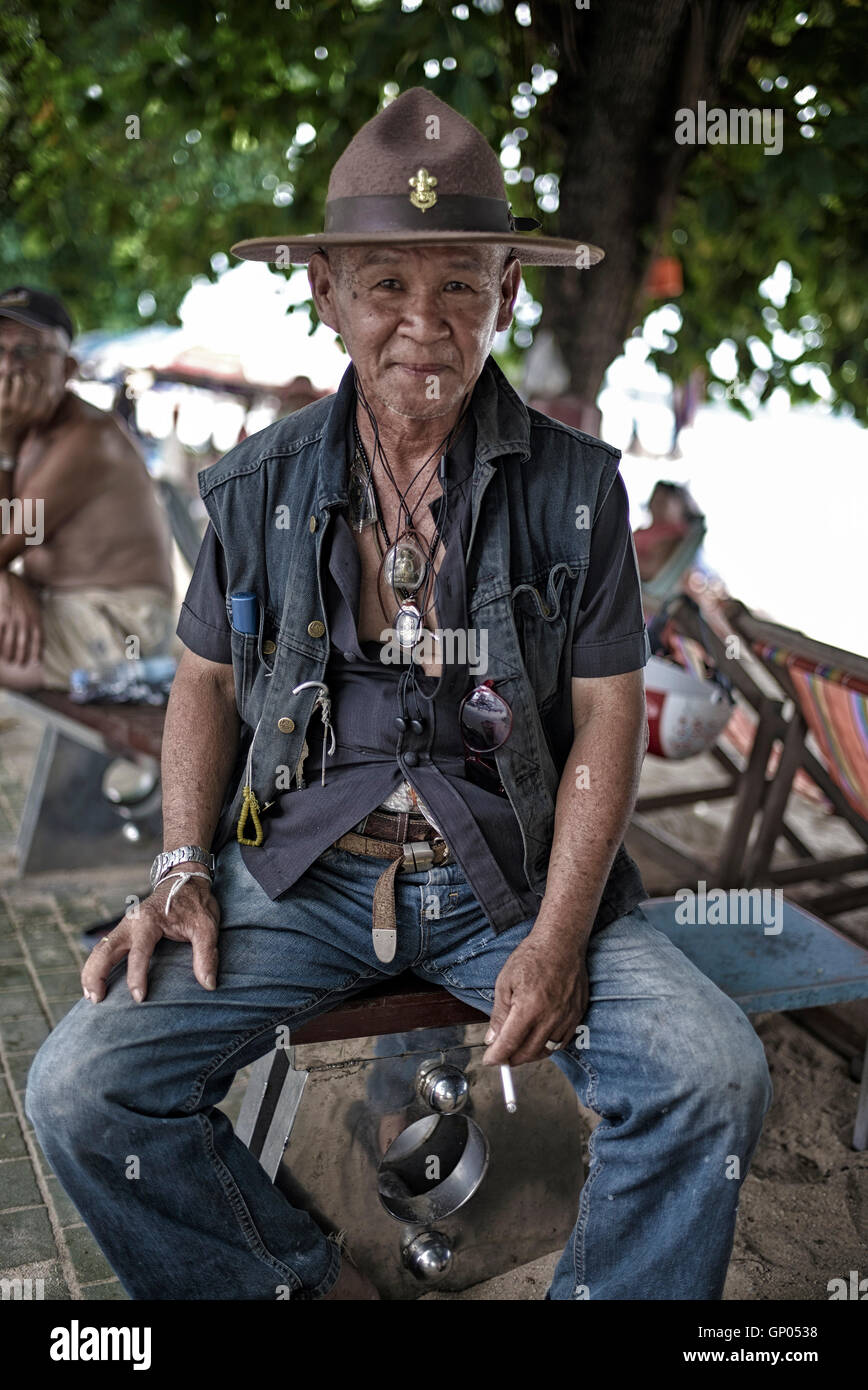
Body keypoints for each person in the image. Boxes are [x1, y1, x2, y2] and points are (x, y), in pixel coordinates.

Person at [25, 88, 771, 1301]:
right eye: (385, 285)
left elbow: (608, 720)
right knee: (79, 1087)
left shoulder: (577, 490)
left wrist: (561, 931)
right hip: (303, 874)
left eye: (460, 285)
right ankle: (293, 1284)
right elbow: (205, 681)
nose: (422, 325)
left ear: (506, 296)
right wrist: (177, 866)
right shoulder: (258, 484)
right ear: (327, 293)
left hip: (512, 885)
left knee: (710, 1073)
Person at [0, 287, 175, 689]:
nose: (8, 367)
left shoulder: (90, 437)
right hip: (71, 611)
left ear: (67, 369)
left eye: (27, 351)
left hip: (121, 627)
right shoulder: (32, 432)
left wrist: (5, 439)